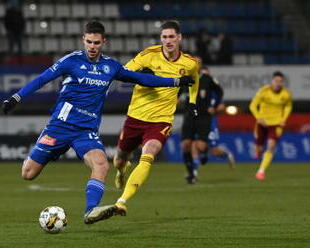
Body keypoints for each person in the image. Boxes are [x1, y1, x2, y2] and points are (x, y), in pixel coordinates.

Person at [1, 20, 194, 224]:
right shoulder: (71, 61)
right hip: (60, 126)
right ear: (83, 40)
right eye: (89, 42)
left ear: (104, 42)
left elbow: (141, 79)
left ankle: (90, 211)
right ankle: (41, 154)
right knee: (28, 174)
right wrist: (16, 98)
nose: (92, 47)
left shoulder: (110, 66)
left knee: (102, 165)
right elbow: (41, 79)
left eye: (96, 43)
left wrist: (174, 81)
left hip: (86, 131)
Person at [87, 20, 200, 222]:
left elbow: (194, 79)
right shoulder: (149, 55)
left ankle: (122, 201)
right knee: (120, 159)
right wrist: (139, 76)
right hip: (135, 117)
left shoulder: (189, 63)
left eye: (171, 37)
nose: (168, 41)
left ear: (179, 38)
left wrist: (192, 102)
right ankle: (122, 171)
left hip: (161, 120)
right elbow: (123, 73)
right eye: (164, 37)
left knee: (149, 154)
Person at [181, 66, 235, 184]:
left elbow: (221, 105)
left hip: (210, 121)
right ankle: (193, 173)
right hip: (195, 119)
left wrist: (215, 108)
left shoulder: (212, 92)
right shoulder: (192, 87)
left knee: (213, 150)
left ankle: (224, 153)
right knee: (194, 145)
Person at [249, 71, 292, 181]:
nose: (278, 83)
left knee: (271, 146)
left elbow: (288, 107)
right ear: (272, 81)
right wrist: (259, 118)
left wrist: (284, 119)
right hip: (262, 122)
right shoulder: (264, 91)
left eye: (281, 81)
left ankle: (261, 171)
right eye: (276, 81)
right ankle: (258, 152)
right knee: (258, 147)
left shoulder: (286, 94)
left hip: (276, 124)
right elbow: (253, 105)